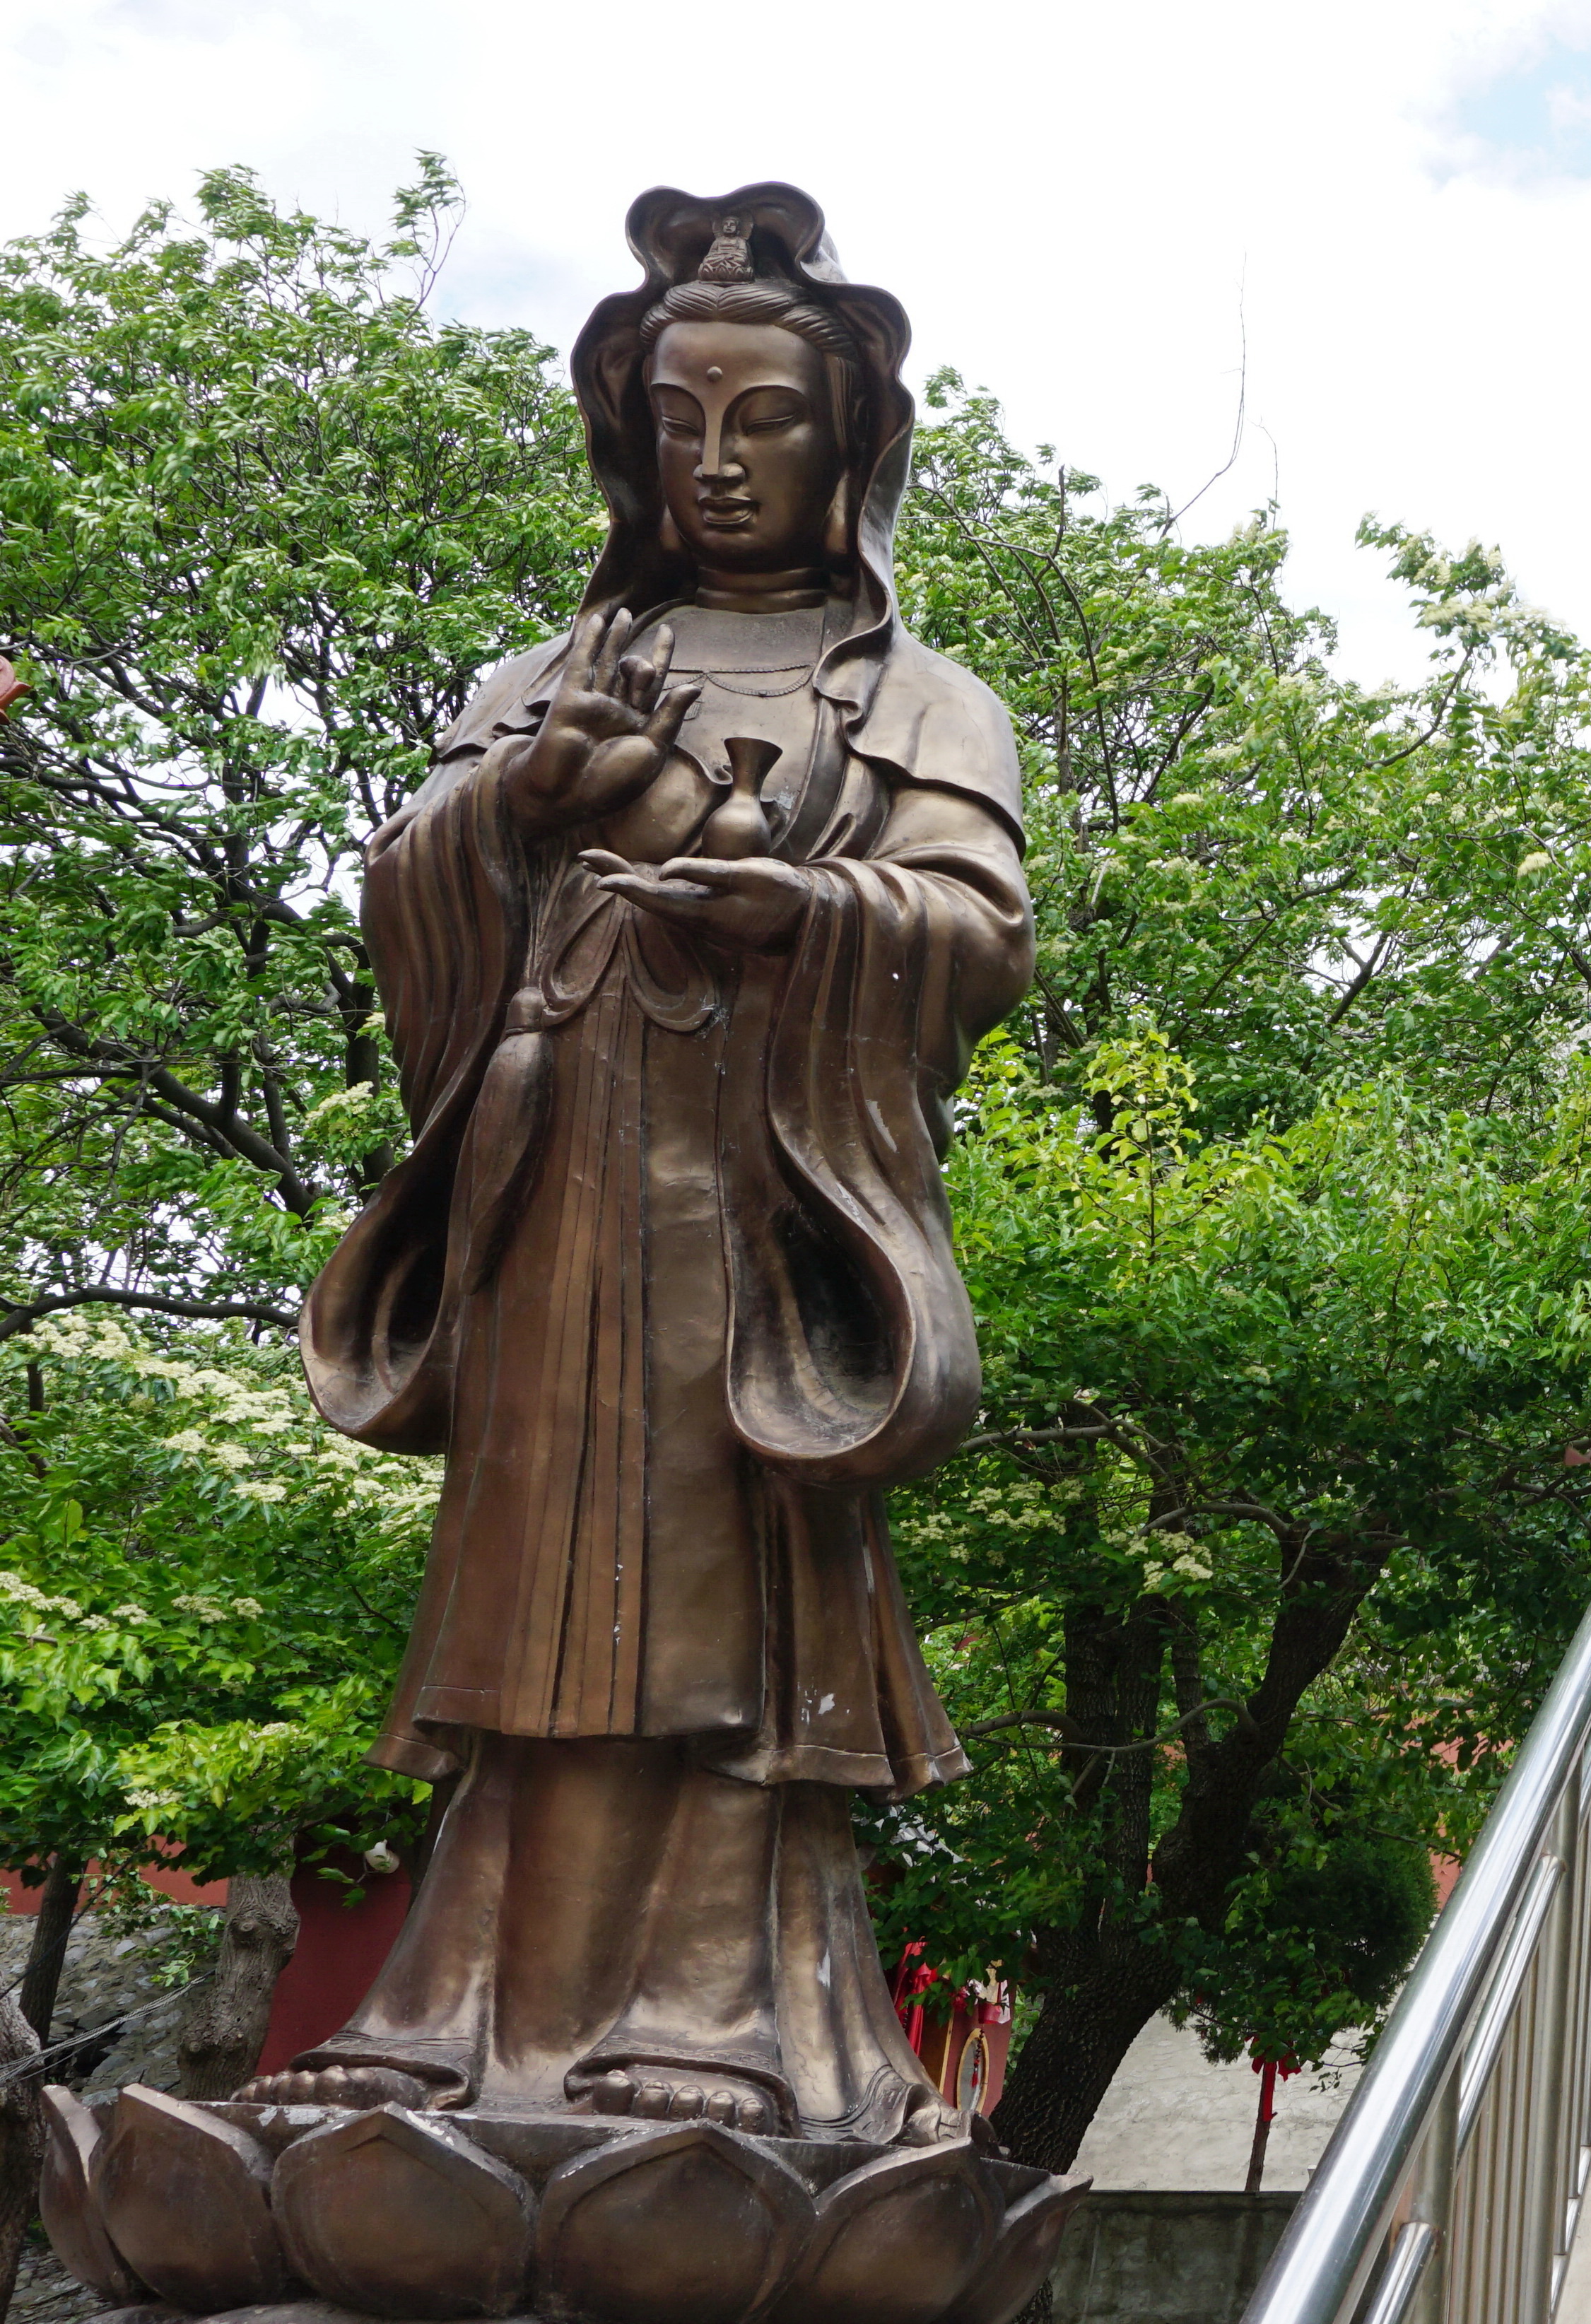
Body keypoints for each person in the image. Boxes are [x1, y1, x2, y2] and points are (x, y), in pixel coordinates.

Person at [246, 186, 1028, 2144]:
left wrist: (804, 910)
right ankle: (451, 2016)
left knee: (721, 1628)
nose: (717, 458)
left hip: (759, 1210)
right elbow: (414, 897)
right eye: (680, 419)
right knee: (519, 1610)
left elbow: (976, 932)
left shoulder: (918, 702)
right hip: (552, 1178)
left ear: (844, 440)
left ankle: (725, 2024)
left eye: (762, 418)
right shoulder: (538, 674)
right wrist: (505, 800)